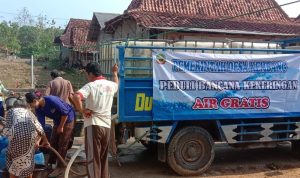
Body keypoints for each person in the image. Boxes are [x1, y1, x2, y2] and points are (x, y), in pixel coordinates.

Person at [72, 62, 118, 178]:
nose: (87, 77)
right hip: (106, 126)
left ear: (91, 73)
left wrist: (82, 110)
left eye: (87, 74)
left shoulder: (91, 85)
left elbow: (76, 96)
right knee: (103, 157)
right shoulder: (110, 85)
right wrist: (115, 73)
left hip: (94, 124)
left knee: (93, 157)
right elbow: (117, 84)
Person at [25, 92, 75, 177]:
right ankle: (50, 164)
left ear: (34, 100)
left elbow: (65, 112)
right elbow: (41, 126)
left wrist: (61, 126)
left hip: (68, 119)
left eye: (30, 105)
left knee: (62, 144)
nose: (31, 107)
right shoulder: (38, 108)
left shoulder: (51, 100)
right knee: (53, 142)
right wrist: (38, 141)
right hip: (57, 120)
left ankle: (60, 167)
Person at [2, 98, 49, 178]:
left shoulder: (10, 112)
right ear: (25, 106)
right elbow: (40, 128)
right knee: (28, 161)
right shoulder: (29, 113)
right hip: (30, 138)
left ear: (14, 106)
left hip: (15, 138)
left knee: (12, 162)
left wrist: (8, 136)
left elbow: (6, 131)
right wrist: (45, 141)